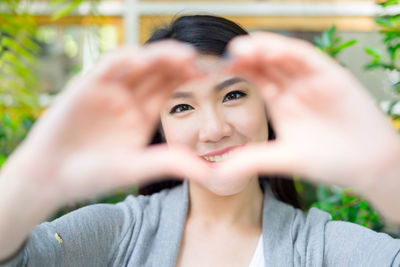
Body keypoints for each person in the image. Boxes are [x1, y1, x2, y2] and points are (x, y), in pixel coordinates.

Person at [0, 15, 399, 266]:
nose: (214, 130)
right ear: (160, 130)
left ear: (267, 105)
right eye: (180, 108)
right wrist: (30, 180)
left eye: (233, 95)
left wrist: (387, 173)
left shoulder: (322, 247)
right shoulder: (119, 233)